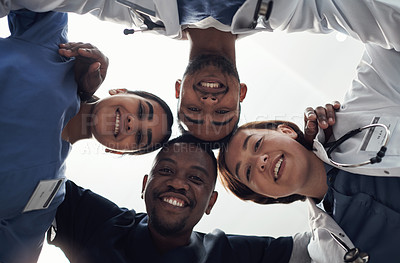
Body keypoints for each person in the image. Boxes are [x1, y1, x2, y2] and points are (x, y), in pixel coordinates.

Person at [3, 0, 400, 143]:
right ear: (240, 92)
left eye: (193, 111)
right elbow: (381, 19)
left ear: (179, 89)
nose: (209, 103)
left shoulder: (130, 11)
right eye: (222, 112)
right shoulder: (297, 10)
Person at [0, 9, 171, 263]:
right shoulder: (57, 53)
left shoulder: (47, 196)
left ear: (117, 152)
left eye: (139, 137)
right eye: (140, 111)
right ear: (119, 90)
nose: (130, 123)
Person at [218, 40, 400, 263]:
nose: (261, 161)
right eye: (248, 172)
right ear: (267, 196)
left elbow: (385, 34)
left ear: (286, 131)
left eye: (256, 145)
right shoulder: (322, 253)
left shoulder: (363, 106)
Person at [46, 136, 356, 263]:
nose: (178, 183)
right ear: (145, 186)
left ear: (210, 202)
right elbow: (28, 177)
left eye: (196, 179)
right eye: (166, 171)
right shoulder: (98, 222)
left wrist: (320, 154)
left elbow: (320, 246)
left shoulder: (233, 255)